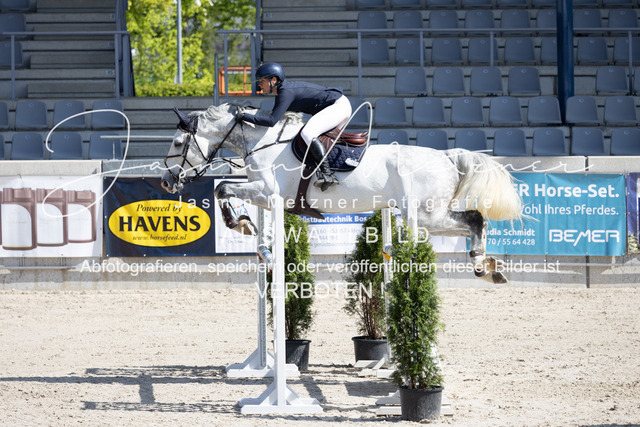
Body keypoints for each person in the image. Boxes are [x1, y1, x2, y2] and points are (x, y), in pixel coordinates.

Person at [239, 62, 352, 191]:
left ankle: (327, 174)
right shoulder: (282, 92)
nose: (259, 85)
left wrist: (244, 116)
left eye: (262, 81)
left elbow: (271, 121)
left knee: (307, 133)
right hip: (338, 105)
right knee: (315, 139)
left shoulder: (285, 92)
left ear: (273, 80)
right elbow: (273, 118)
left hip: (338, 106)